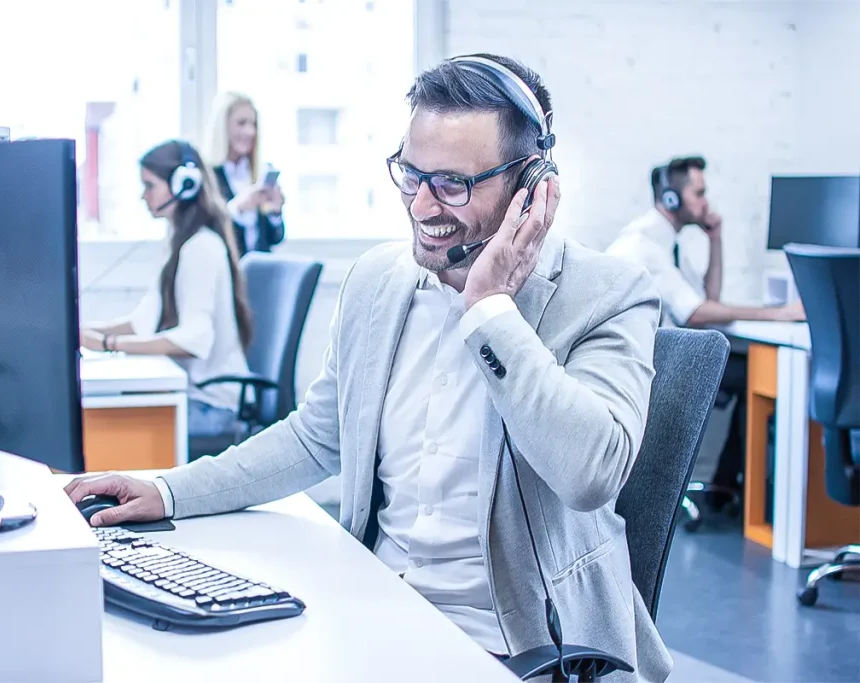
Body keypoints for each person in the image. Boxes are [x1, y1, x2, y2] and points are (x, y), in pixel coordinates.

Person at [69, 54, 672, 682]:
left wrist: (491, 310)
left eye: (453, 184)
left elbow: (589, 474)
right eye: (411, 175)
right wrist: (169, 490)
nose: (421, 208)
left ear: (530, 185)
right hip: (373, 607)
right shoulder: (378, 282)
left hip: (514, 645)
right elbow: (316, 436)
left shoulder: (607, 293)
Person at [606, 156, 806, 508]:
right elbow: (698, 313)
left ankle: (728, 486)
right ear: (672, 198)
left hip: (656, 360)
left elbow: (705, 299)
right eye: (699, 193)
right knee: (752, 377)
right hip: (649, 368)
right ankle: (739, 491)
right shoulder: (645, 246)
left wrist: (716, 239)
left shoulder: (668, 243)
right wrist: (778, 314)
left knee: (750, 374)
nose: (705, 202)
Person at [80, 140, 253, 439]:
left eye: (149, 186)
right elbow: (143, 320)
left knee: (105, 430)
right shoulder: (179, 242)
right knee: (100, 419)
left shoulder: (201, 247)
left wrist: (109, 343)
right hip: (192, 396)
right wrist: (85, 331)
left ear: (184, 185)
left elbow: (193, 339)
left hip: (212, 406)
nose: (143, 196)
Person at [205, 91, 285, 256]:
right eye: (241, 123)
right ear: (223, 126)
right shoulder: (208, 176)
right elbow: (207, 233)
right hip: (227, 273)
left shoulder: (259, 172)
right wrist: (237, 207)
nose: (250, 132)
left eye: (253, 124)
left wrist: (275, 211)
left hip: (259, 272)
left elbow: (275, 237)